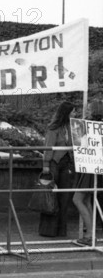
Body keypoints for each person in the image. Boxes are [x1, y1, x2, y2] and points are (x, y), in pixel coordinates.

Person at [40, 101, 76, 238]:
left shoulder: (71, 127)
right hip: (54, 163)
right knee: (52, 197)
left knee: (64, 197)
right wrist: (46, 166)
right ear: (66, 113)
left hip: (66, 163)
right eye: (73, 111)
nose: (75, 114)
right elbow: (48, 147)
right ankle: (49, 230)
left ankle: (61, 230)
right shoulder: (53, 128)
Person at [73, 100, 103, 245]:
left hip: (90, 167)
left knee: (78, 199)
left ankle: (90, 234)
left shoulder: (88, 126)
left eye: (89, 108)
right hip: (93, 166)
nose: (87, 110)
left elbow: (80, 144)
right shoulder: (91, 125)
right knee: (86, 200)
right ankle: (91, 234)